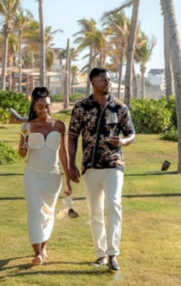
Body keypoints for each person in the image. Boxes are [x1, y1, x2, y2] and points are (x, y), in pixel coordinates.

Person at [68, 67, 136, 272]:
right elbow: (72, 137)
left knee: (114, 204)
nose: (108, 82)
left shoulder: (120, 107)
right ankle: (100, 255)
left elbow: (132, 133)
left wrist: (123, 142)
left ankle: (113, 254)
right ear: (93, 83)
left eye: (109, 79)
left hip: (114, 163)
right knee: (94, 210)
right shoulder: (81, 107)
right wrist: (71, 164)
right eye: (103, 80)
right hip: (90, 166)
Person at [18, 86, 72, 266]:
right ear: (34, 107)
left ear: (51, 106)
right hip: (33, 175)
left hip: (53, 177)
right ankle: (38, 253)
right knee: (35, 211)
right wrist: (22, 149)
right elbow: (22, 154)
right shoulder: (27, 126)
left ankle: (43, 246)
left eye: (47, 106)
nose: (44, 110)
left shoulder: (59, 125)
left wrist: (68, 180)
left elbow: (63, 153)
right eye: (40, 106)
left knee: (48, 213)